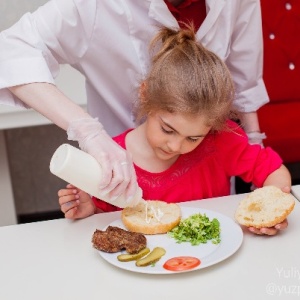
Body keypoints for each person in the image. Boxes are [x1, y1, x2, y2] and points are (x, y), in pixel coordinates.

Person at [0, 0, 269, 205]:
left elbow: (244, 78)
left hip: (205, 176)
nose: (174, 145)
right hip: (122, 173)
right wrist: (87, 131)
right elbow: (12, 50)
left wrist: (254, 143)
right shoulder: (95, 7)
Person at [58, 26, 291, 236]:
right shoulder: (111, 159)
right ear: (145, 94)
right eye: (167, 129)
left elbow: (274, 172)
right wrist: (90, 209)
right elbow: (107, 224)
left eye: (193, 138)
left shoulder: (219, 142)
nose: (176, 146)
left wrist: (271, 210)